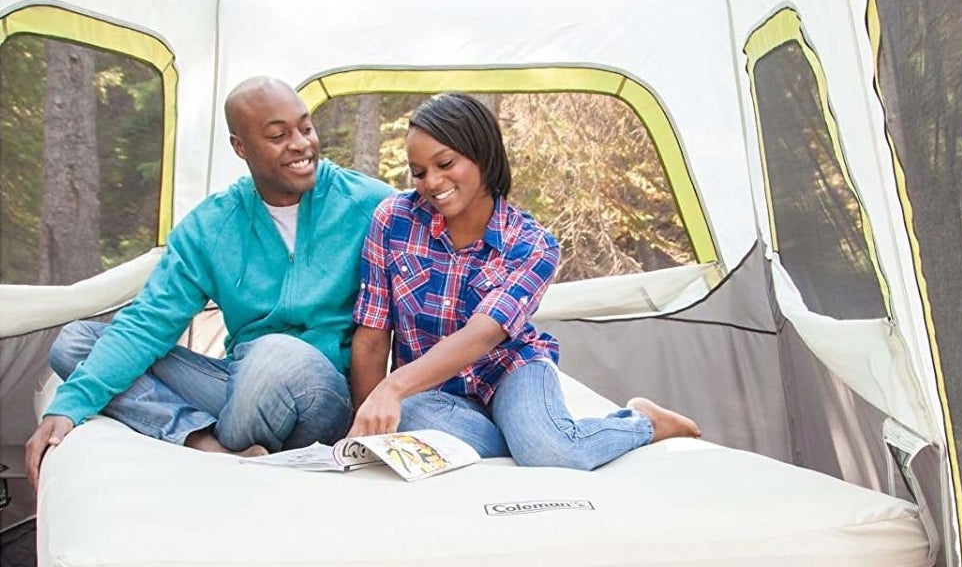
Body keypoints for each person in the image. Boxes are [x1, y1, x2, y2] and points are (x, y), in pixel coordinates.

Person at [25, 76, 393, 490]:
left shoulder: (369, 204)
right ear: (241, 147)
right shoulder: (210, 226)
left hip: (327, 394)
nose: (301, 145)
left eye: (305, 128)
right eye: (278, 135)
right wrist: (69, 407)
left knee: (277, 354)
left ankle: (230, 459)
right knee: (76, 342)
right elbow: (148, 323)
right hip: (240, 384)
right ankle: (206, 443)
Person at [348, 92, 700, 469]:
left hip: (511, 371)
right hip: (431, 391)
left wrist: (393, 386)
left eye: (445, 163)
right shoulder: (393, 221)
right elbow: (371, 339)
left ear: (482, 153)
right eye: (419, 172)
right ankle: (527, 435)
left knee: (552, 452)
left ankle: (644, 423)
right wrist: (367, 428)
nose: (432, 182)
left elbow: (482, 335)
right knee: (409, 416)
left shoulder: (533, 244)